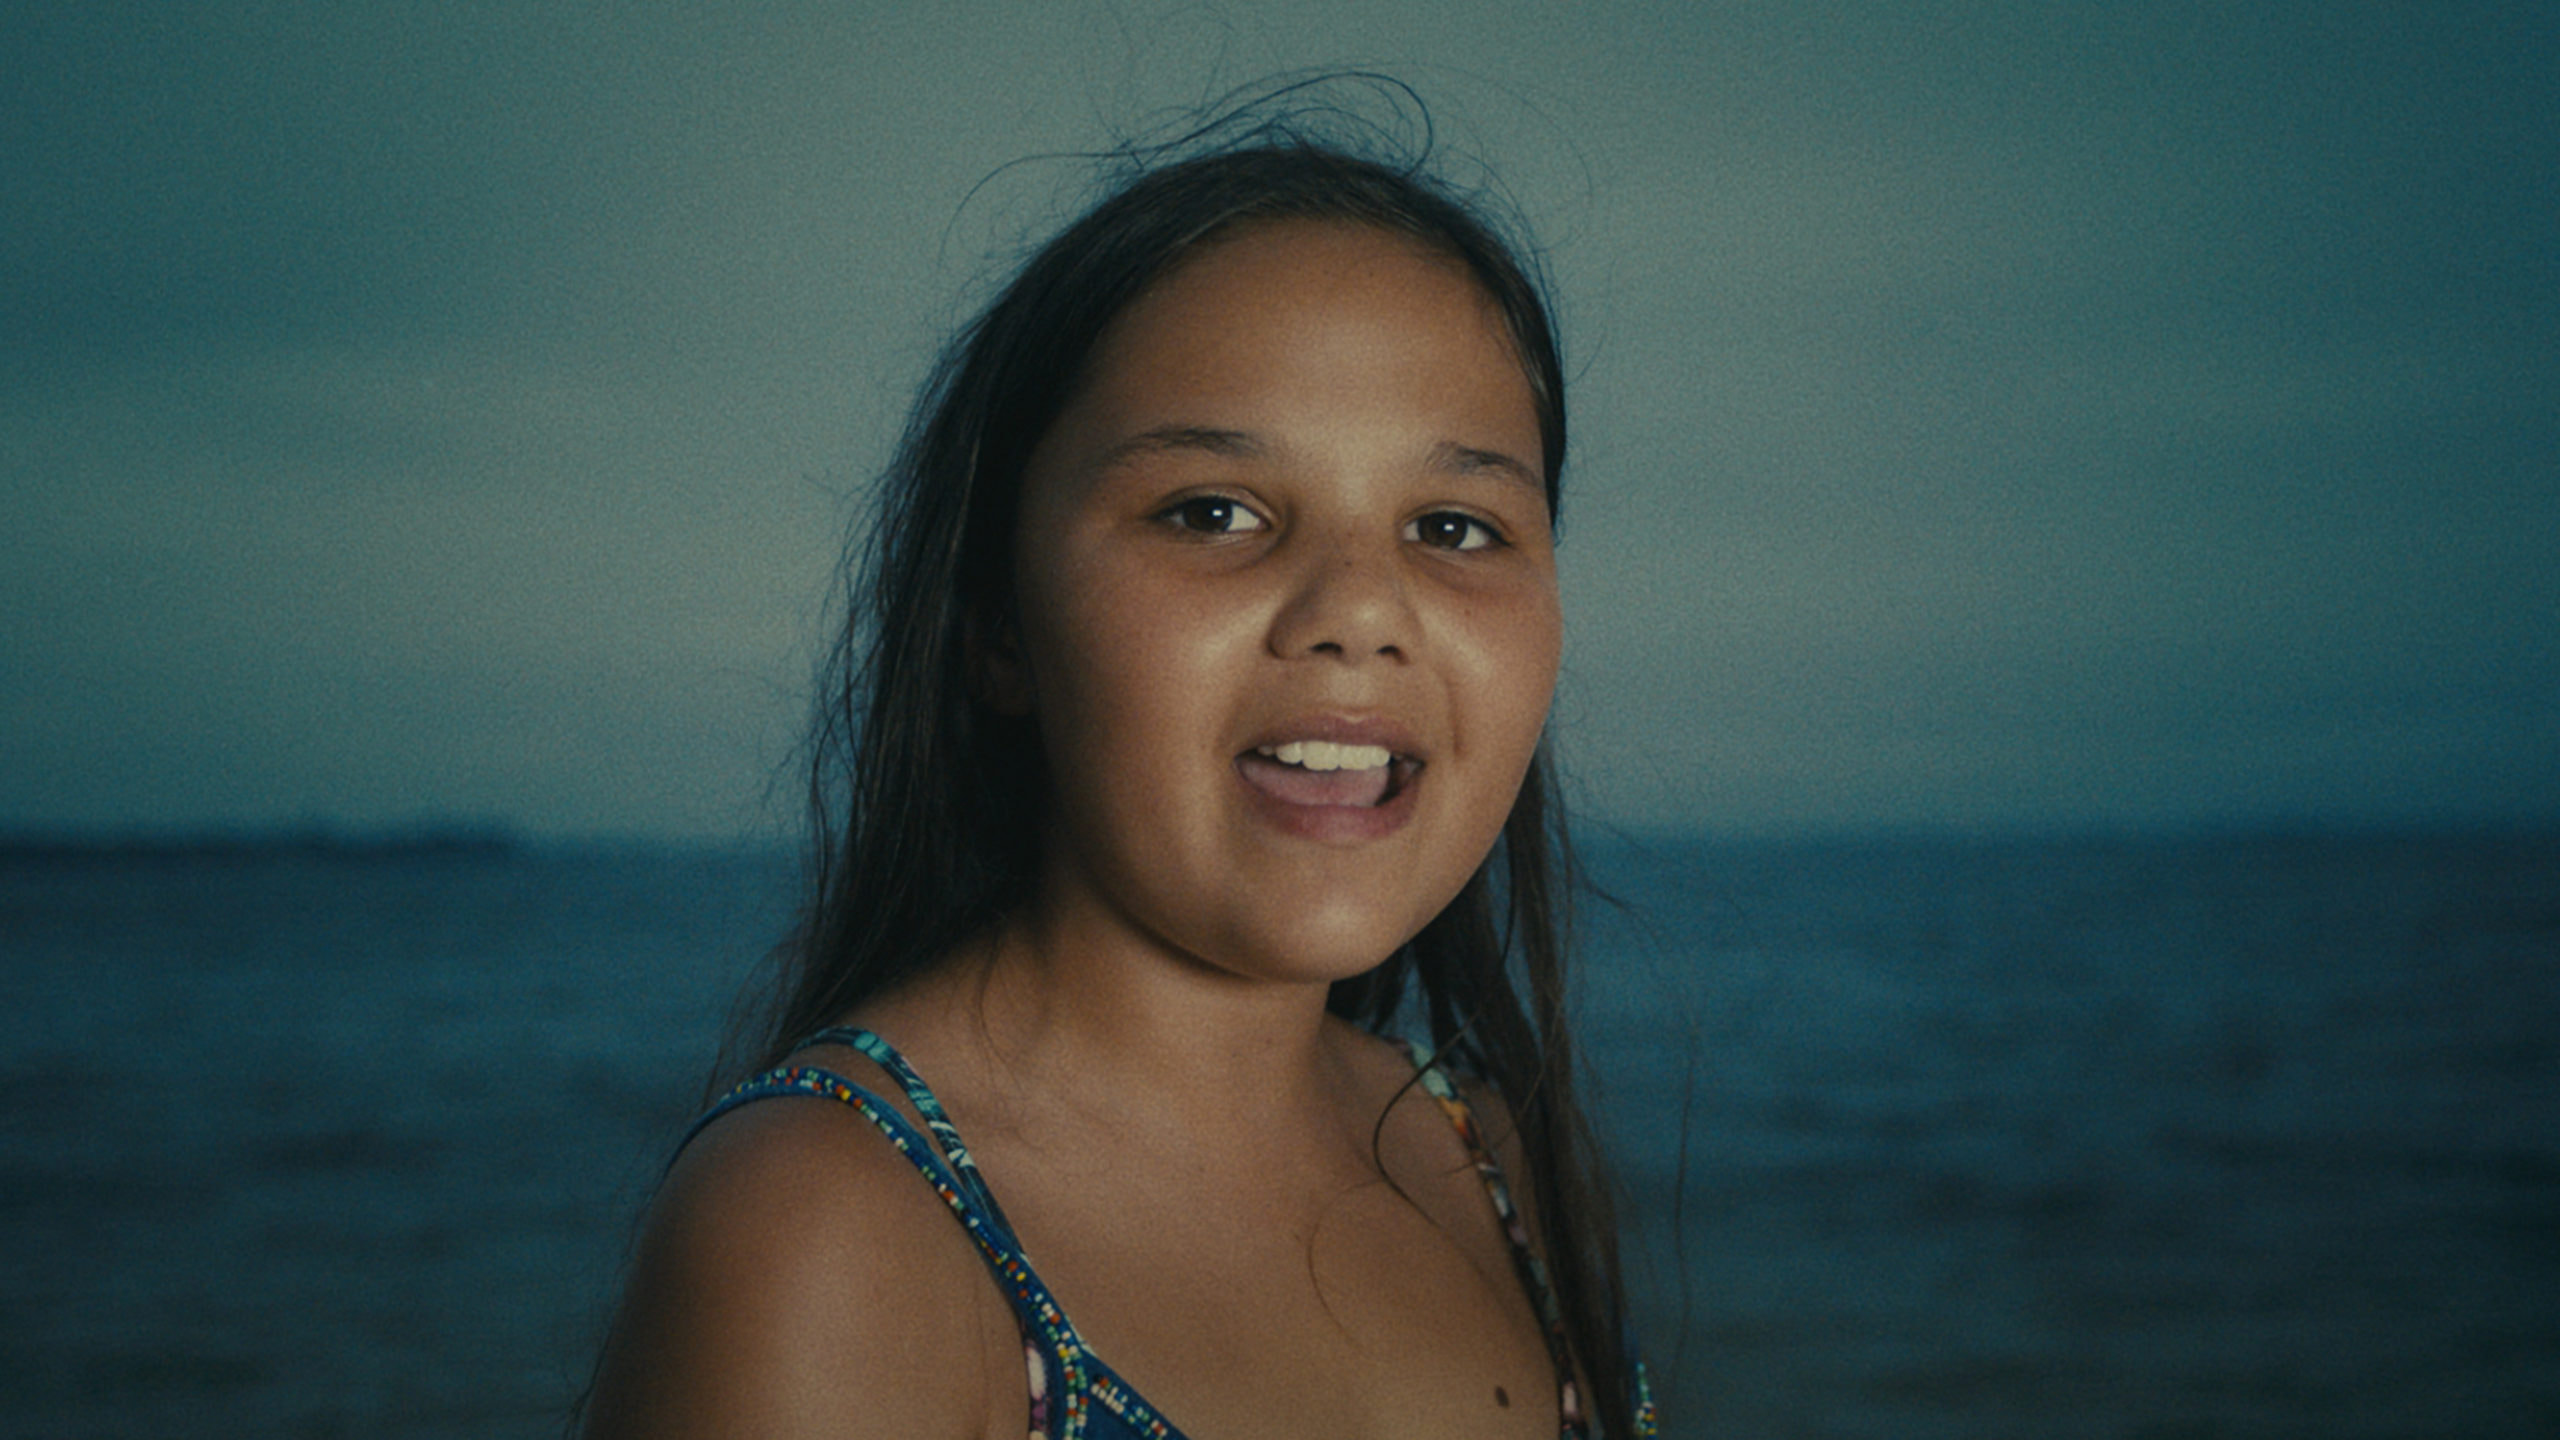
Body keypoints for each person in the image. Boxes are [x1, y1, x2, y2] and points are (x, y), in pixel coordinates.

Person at [583, 112, 1657, 1439]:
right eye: (1213, 513)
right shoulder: (832, 1234)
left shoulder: (1488, 1158)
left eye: (1453, 526)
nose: (1362, 611)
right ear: (995, 621)